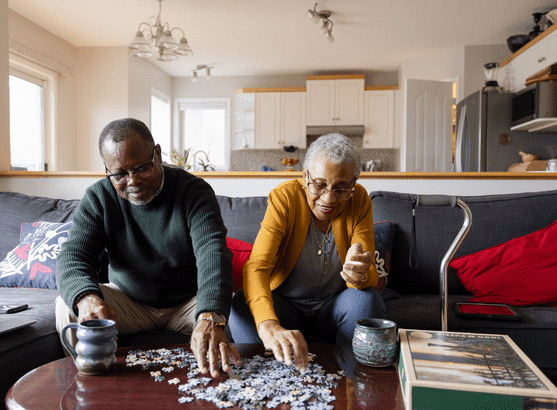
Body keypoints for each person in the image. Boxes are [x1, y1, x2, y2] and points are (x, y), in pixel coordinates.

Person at [55, 118, 239, 377]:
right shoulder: (98, 197)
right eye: (119, 173)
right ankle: (91, 385)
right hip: (129, 302)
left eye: (142, 168)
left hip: (189, 303)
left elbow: (213, 253)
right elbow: (73, 256)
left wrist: (209, 315)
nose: (133, 181)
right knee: (67, 307)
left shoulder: (193, 191)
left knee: (236, 312)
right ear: (106, 169)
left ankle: (223, 388)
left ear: (158, 154)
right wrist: (87, 298)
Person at [229, 133, 386, 372]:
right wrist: (268, 324)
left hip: (334, 309)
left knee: (366, 299)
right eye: (320, 184)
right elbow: (257, 266)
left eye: (341, 188)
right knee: (241, 304)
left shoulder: (360, 199)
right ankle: (264, 379)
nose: (328, 198)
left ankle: (351, 379)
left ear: (353, 184)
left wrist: (362, 276)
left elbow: (370, 275)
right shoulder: (285, 197)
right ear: (305, 176)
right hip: (285, 307)